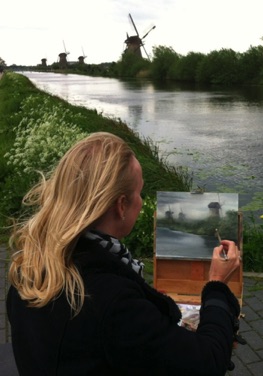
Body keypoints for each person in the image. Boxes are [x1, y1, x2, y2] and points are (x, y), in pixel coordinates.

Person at [7, 132, 241, 376]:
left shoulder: (29, 266)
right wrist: (216, 286)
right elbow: (207, 363)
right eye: (139, 192)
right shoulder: (115, 302)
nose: (141, 201)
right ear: (121, 206)